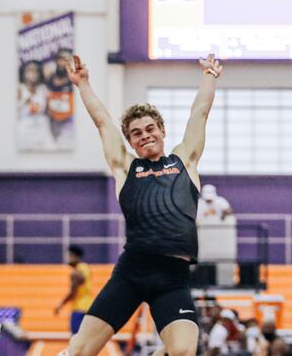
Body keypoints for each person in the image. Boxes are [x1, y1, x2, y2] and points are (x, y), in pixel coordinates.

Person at [61, 53, 223, 356]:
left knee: (184, 352)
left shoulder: (184, 159)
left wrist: (209, 76)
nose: (145, 136)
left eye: (150, 129)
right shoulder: (125, 167)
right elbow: (102, 122)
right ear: (131, 142)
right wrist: (83, 84)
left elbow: (200, 112)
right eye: (136, 133)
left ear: (161, 130)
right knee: (80, 352)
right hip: (132, 273)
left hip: (173, 278)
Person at [54, 245, 94, 335]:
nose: (67, 259)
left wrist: (61, 304)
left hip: (79, 308)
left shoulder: (75, 273)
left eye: (69, 256)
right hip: (89, 307)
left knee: (75, 338)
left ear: (75, 256)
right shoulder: (86, 267)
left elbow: (73, 292)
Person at [18, 60, 55, 151]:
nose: (32, 73)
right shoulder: (19, 89)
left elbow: (50, 112)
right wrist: (25, 101)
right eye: (29, 70)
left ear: (39, 74)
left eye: (35, 70)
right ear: (24, 73)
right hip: (24, 132)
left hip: (42, 131)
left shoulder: (43, 89)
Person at [45, 49, 76, 148]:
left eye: (67, 59)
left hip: (68, 123)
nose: (64, 62)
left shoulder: (74, 80)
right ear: (56, 61)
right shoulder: (49, 78)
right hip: (52, 122)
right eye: (61, 59)